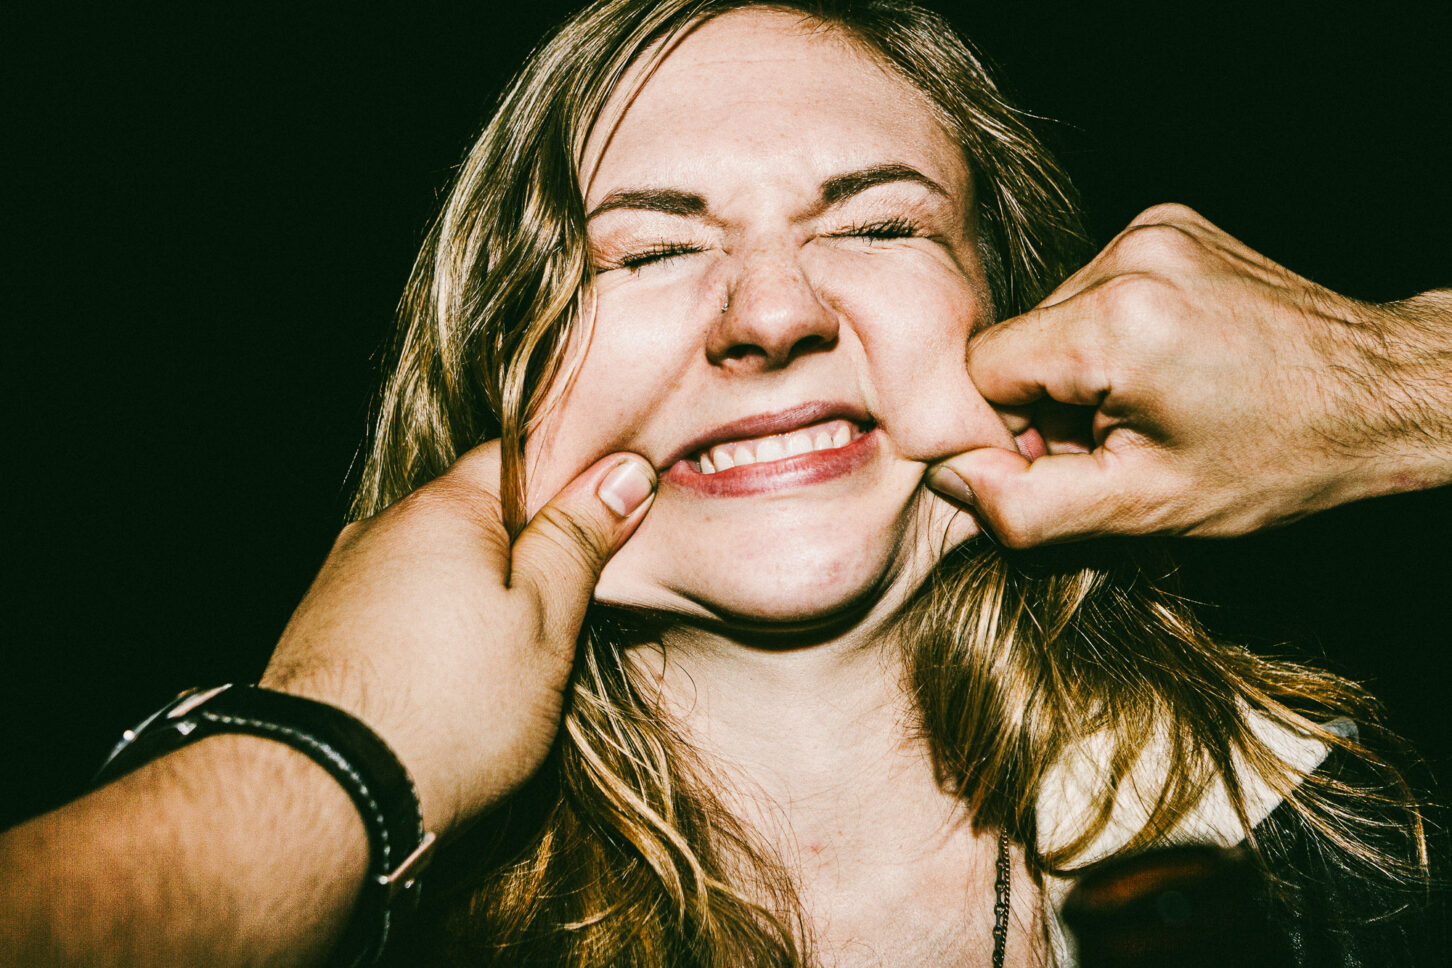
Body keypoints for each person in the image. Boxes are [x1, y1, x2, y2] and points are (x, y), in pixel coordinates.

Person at [3, 1, 1448, 966]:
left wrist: (1393, 381)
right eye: (646, 249)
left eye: (877, 226)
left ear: (1017, 313)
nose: (772, 314)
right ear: (498, 370)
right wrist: (335, 760)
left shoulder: (1369, 837)